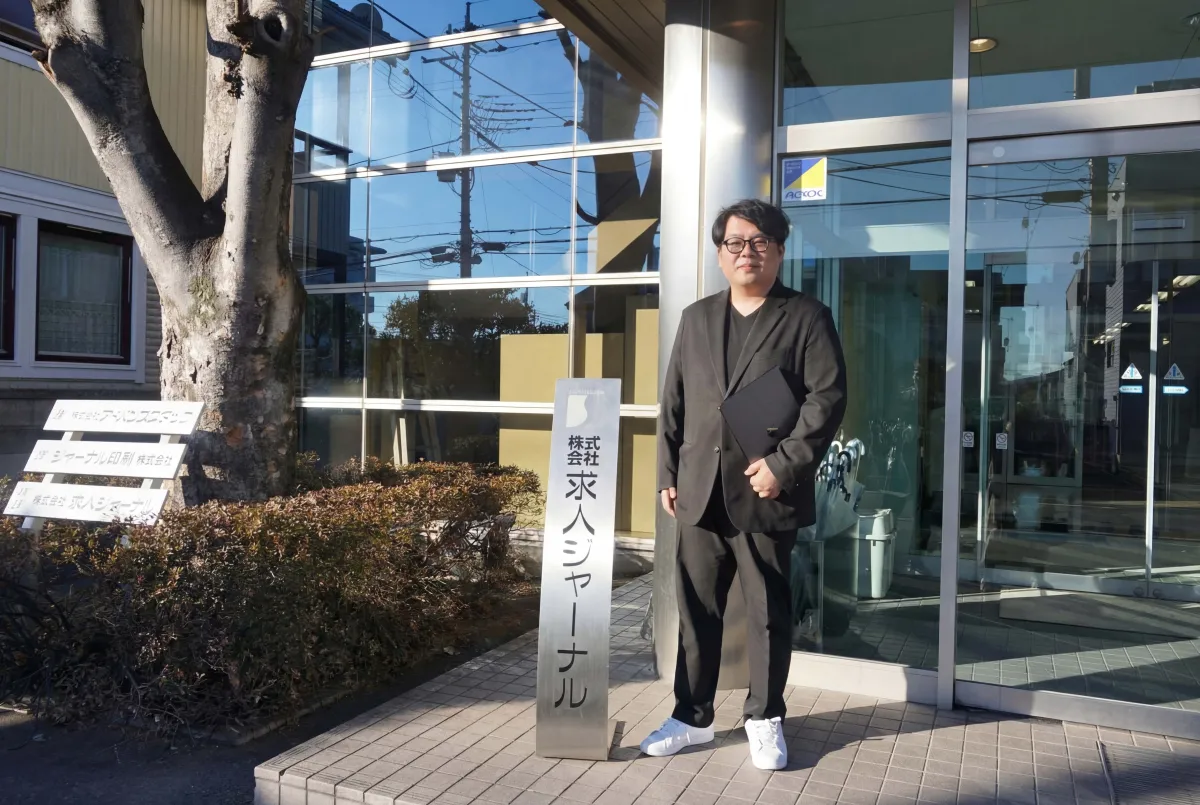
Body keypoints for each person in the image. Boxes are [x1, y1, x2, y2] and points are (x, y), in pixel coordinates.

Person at [642, 199, 847, 770]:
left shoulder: (806, 316)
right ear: (720, 254)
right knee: (696, 610)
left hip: (765, 491)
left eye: (759, 242)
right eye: (735, 243)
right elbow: (674, 401)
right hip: (699, 490)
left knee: (766, 613)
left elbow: (827, 399)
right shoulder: (697, 318)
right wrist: (667, 472)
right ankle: (692, 716)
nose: (746, 252)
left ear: (778, 250)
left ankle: (764, 717)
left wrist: (784, 465)